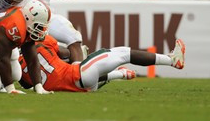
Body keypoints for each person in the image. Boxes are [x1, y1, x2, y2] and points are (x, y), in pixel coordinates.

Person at [19, 36, 186, 92]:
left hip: (76, 89)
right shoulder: (43, 40)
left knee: (89, 75)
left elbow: (26, 85)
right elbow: (67, 53)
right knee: (122, 52)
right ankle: (171, 60)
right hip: (78, 75)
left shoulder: (18, 64)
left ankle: (119, 74)